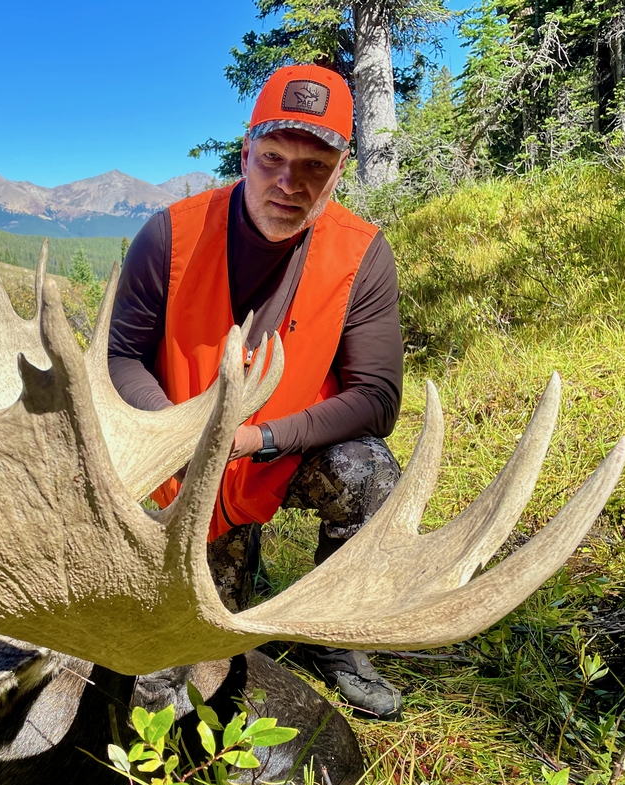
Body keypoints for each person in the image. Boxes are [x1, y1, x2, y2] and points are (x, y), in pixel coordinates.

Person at [107, 64, 406, 720]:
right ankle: (235, 558)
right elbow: (120, 359)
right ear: (246, 152)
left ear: (341, 168)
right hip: (180, 484)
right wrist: (177, 432)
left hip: (279, 457)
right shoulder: (171, 237)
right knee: (174, 675)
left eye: (314, 166)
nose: (288, 184)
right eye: (272, 158)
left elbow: (378, 397)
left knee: (371, 473)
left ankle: (334, 634)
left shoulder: (361, 256)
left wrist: (263, 439)